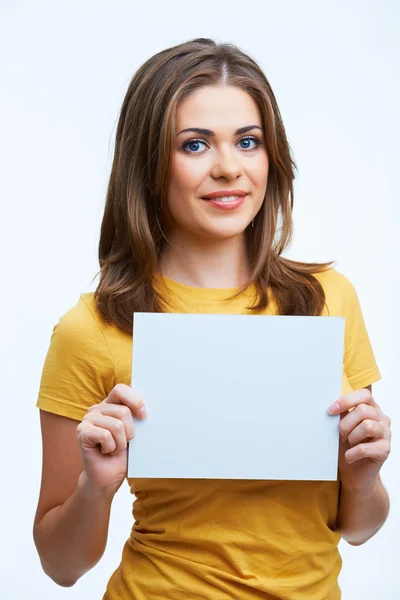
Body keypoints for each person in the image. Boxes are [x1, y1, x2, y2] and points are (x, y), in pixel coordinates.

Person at [33, 38, 392, 600]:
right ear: (149, 165)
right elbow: (59, 565)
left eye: (248, 142)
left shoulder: (328, 300)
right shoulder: (92, 330)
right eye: (195, 145)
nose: (229, 168)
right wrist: (95, 488)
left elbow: (361, 527)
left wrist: (364, 474)